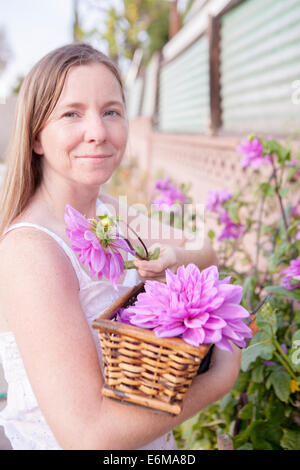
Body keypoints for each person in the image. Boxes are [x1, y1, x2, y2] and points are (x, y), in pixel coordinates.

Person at [0, 43, 241, 450]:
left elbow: (207, 252)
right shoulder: (33, 252)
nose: (98, 131)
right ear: (37, 137)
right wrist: (218, 381)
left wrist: (173, 259)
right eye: (71, 113)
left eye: (111, 111)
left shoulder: (110, 213)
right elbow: (87, 437)